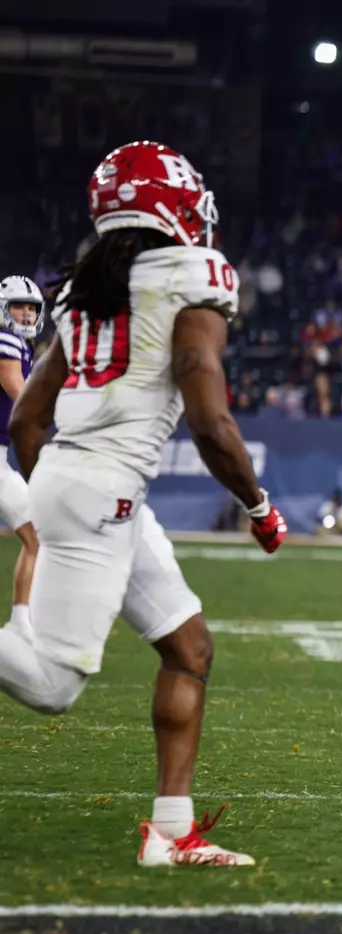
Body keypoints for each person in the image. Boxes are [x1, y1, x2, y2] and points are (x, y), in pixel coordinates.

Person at [0, 141, 288, 866]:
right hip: (104, 493)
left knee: (188, 648)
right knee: (52, 686)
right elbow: (210, 422)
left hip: (84, 481)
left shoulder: (86, 288)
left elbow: (27, 420)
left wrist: (60, 497)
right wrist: (257, 506)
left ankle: (170, 832)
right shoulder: (191, 277)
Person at [0, 275, 44, 638]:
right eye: (19, 306)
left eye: (31, 308)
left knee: (36, 534)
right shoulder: (5, 340)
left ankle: (21, 624)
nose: (27, 314)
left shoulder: (22, 345)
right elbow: (18, 390)